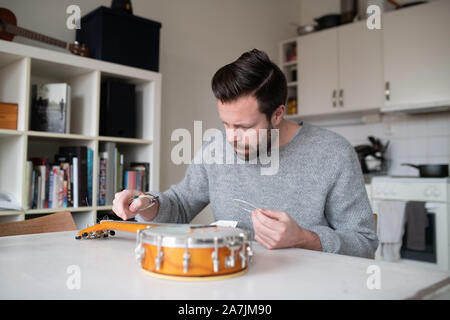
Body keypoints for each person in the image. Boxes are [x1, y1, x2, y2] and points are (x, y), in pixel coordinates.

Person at [112, 49, 378, 258]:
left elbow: (364, 242)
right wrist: (146, 205)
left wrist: (304, 238)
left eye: (244, 127)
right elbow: (180, 205)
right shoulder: (216, 147)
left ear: (277, 114)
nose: (231, 137)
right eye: (226, 124)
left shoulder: (333, 153)